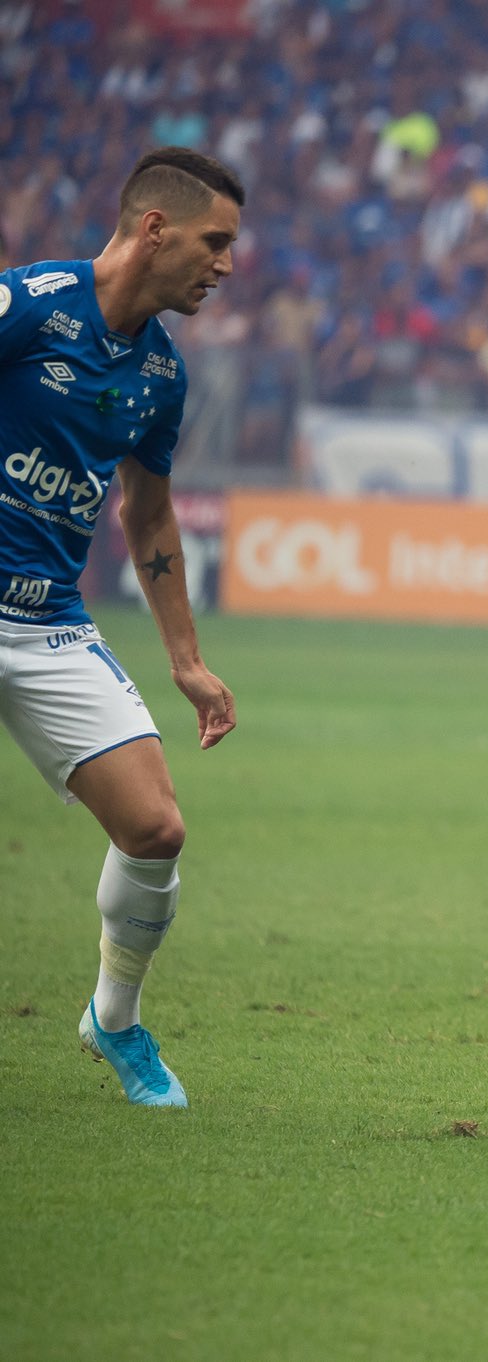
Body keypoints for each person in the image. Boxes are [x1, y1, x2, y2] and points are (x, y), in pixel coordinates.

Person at [0, 147, 242, 1108]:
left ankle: (114, 1020)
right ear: (154, 229)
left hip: (47, 621)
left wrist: (185, 659)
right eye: (214, 242)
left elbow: (146, 516)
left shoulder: (159, 376)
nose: (224, 264)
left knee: (155, 828)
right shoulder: (29, 304)